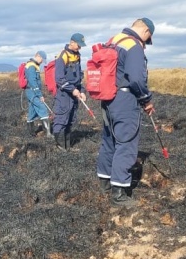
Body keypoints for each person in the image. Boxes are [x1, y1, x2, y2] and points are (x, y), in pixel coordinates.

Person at [96, 18, 155, 207]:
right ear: (146, 31)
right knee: (126, 144)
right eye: (147, 39)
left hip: (108, 98)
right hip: (125, 100)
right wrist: (146, 99)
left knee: (109, 140)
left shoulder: (113, 40)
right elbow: (137, 78)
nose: (145, 43)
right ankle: (119, 194)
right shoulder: (133, 46)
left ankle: (104, 183)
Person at [52, 32, 87, 149]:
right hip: (64, 94)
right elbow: (59, 79)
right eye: (79, 45)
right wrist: (72, 90)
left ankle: (67, 147)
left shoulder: (77, 56)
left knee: (71, 120)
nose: (80, 47)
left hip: (74, 93)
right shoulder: (63, 56)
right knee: (61, 119)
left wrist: (81, 90)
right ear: (72, 43)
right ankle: (60, 148)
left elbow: (79, 76)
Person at [24, 51, 51, 136]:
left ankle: (31, 134)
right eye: (42, 60)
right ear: (38, 56)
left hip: (31, 91)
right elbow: (33, 82)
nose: (42, 62)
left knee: (32, 112)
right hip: (32, 92)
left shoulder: (34, 65)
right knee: (43, 109)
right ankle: (48, 134)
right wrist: (39, 95)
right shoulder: (31, 66)